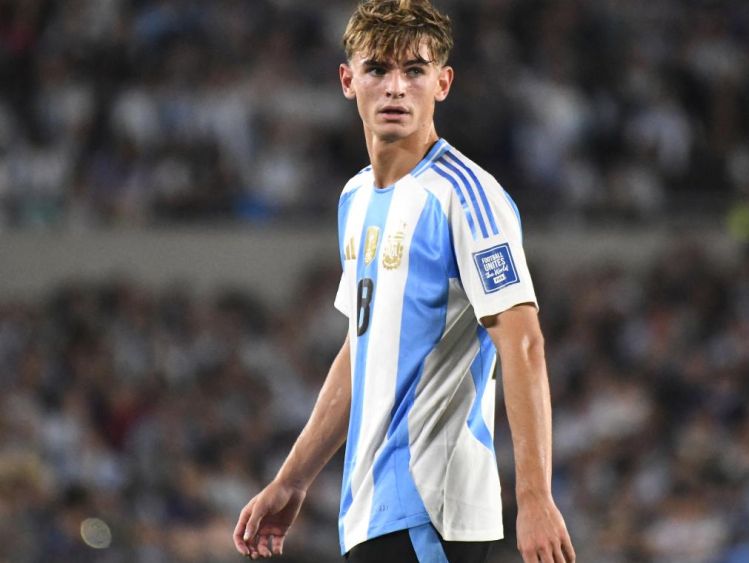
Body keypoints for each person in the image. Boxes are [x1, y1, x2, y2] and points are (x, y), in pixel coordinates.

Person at [232, 1, 576, 562]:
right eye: (377, 70)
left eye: (414, 71)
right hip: (369, 511)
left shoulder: (466, 196)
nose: (395, 88)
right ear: (348, 80)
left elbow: (524, 342)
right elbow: (360, 350)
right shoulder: (355, 197)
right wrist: (293, 479)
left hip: (434, 509)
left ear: (442, 83)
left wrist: (535, 496)